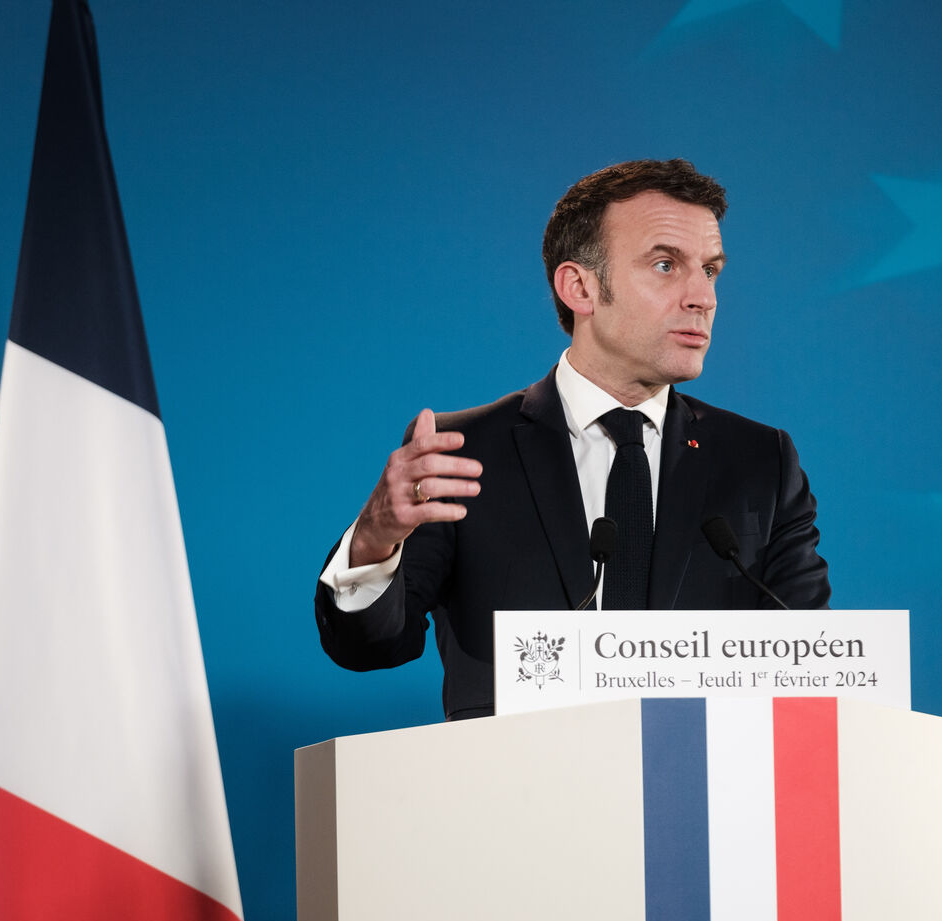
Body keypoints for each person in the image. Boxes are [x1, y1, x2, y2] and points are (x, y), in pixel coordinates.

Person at [315, 159, 830, 721]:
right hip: (519, 772)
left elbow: (806, 669)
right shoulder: (464, 451)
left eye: (710, 270)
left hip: (699, 771)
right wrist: (373, 542)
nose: (702, 297)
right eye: (665, 265)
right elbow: (369, 648)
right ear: (579, 287)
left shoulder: (760, 462)